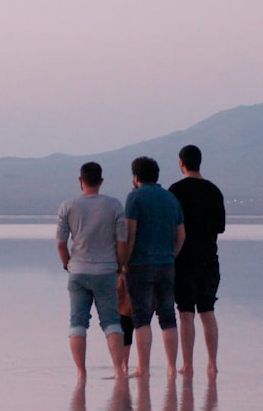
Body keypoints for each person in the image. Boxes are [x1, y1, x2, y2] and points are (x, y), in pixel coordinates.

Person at [57, 162, 128, 381]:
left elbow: (61, 243)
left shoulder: (68, 206)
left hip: (77, 271)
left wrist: (67, 264)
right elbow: (122, 241)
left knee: (77, 322)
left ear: (81, 181)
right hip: (106, 270)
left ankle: (81, 372)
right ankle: (118, 369)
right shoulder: (114, 205)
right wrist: (119, 266)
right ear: (101, 181)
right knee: (111, 321)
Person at [123, 156, 185, 377]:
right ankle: (171, 367)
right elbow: (181, 235)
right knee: (168, 316)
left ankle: (143, 368)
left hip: (140, 264)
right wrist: (171, 255)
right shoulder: (171, 199)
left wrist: (124, 262)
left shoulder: (134, 198)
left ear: (136, 177)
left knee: (141, 317)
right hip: (167, 263)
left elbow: (130, 234)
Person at [169, 145, 226, 377]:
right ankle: (212, 364)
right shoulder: (214, 191)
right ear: (199, 162)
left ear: (181, 163)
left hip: (183, 261)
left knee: (185, 313)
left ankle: (188, 364)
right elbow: (220, 227)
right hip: (209, 260)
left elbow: (172, 227)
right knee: (208, 311)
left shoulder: (175, 190)